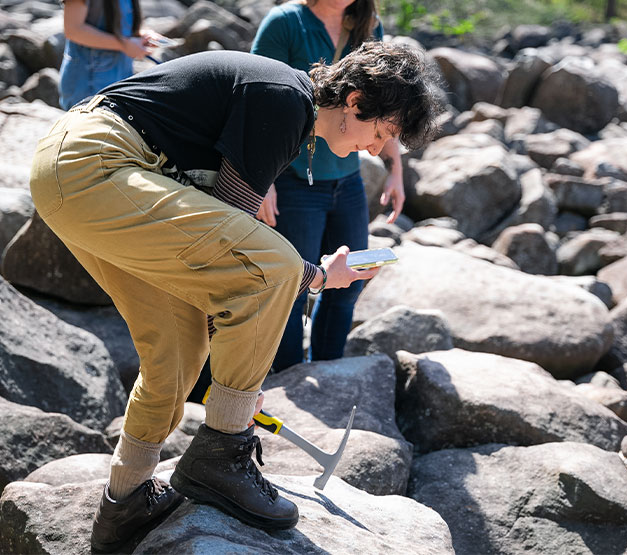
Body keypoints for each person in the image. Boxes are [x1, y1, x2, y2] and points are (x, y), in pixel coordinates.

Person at [29, 42, 440, 552]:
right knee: (277, 268)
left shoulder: (287, 105)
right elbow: (248, 256)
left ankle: (125, 502)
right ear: (355, 102)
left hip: (78, 175)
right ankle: (220, 455)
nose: (377, 150)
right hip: (96, 166)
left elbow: (220, 257)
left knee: (177, 353)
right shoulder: (286, 99)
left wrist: (234, 379)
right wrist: (237, 400)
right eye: (381, 133)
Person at [250, 0, 406, 371]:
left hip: (347, 180)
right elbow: (259, 102)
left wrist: (395, 168)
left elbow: (388, 107)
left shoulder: (368, 26)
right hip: (293, 180)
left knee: (349, 282)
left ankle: (328, 368)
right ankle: (288, 373)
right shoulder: (285, 23)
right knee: (293, 286)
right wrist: (262, 182)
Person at [59, 0, 159, 110]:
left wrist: (140, 36)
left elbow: (117, 24)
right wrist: (124, 45)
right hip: (87, 85)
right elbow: (73, 30)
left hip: (119, 80)